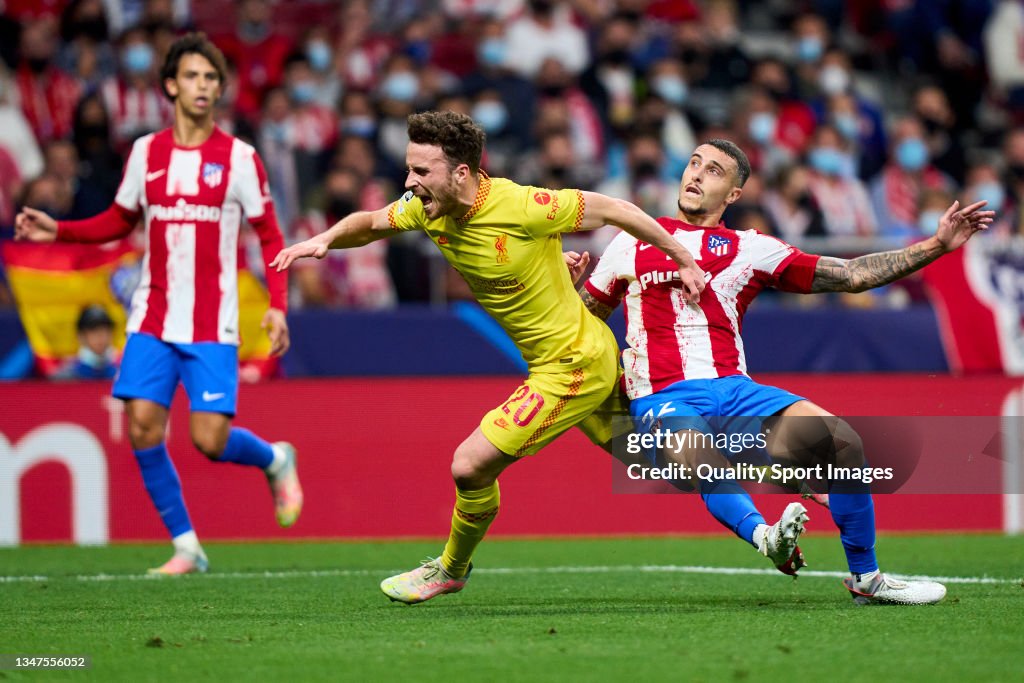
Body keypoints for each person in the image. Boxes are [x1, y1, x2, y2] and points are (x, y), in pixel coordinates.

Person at [271, 110, 705, 604]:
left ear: (461, 173)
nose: (409, 183)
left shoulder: (521, 205)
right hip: (575, 355)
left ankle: (450, 569)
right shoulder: (426, 207)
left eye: (421, 172)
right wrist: (325, 239)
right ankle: (803, 463)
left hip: (573, 366)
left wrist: (683, 258)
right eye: (409, 170)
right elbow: (370, 223)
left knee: (469, 465)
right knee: (666, 460)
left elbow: (615, 209)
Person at [576, 139, 991, 605]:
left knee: (842, 443)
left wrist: (937, 244)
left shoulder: (751, 249)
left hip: (736, 392)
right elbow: (580, 322)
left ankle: (867, 578)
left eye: (713, 171)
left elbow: (850, 274)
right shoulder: (630, 242)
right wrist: (568, 284)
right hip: (661, 397)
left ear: (734, 194)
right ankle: (764, 535)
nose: (695, 175)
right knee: (700, 456)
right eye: (693, 163)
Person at [14, 33, 302, 576]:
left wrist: (278, 306)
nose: (203, 87)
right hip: (152, 314)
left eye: (212, 79)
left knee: (209, 440)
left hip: (212, 321)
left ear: (220, 90)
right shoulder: (147, 152)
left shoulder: (240, 158)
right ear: (171, 85)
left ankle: (275, 457)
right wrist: (60, 229)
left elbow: (269, 234)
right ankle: (187, 547)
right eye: (193, 76)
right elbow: (119, 221)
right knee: (143, 424)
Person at [52, 304, 120, 380]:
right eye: (93, 330)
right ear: (81, 336)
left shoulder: (120, 375)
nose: (100, 336)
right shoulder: (65, 377)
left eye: (105, 330)